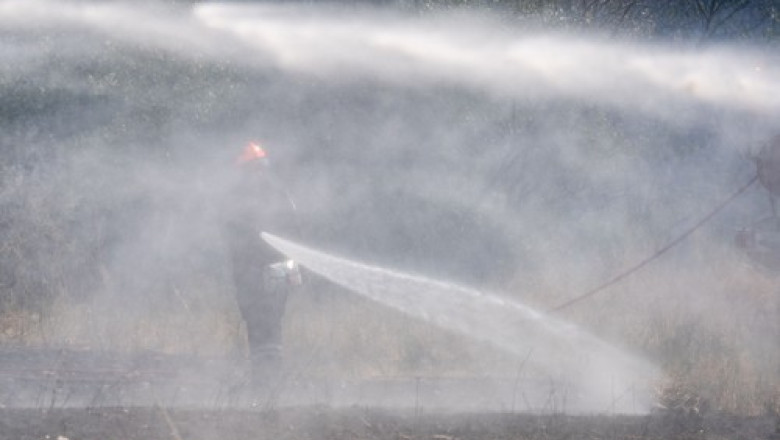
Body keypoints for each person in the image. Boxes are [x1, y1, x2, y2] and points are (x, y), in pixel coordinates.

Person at [221, 141, 300, 380]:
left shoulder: (272, 195)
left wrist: (291, 267)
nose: (256, 174)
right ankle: (264, 378)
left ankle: (269, 378)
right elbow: (232, 235)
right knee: (261, 324)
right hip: (255, 271)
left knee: (268, 322)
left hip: (265, 271)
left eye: (258, 168)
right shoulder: (244, 199)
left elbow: (293, 231)